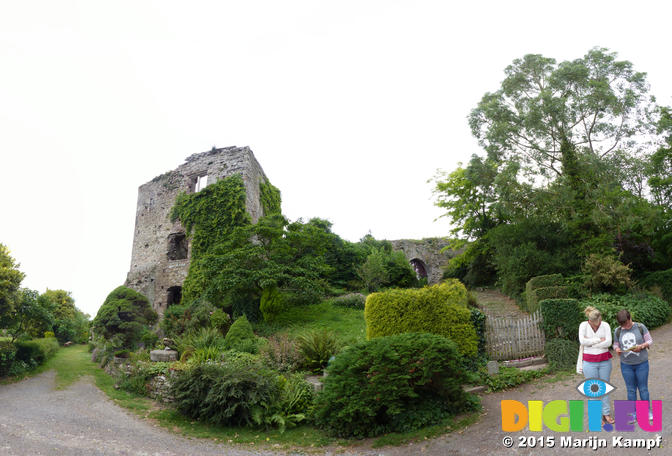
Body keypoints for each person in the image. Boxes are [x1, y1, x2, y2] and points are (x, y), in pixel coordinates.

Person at [613, 309, 653, 421]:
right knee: (630, 390)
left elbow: (650, 340)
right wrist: (617, 349)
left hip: (642, 364)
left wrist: (641, 346)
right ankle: (633, 413)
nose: (625, 327)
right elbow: (615, 344)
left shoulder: (640, 327)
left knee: (643, 389)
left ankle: (647, 411)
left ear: (630, 318)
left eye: (627, 323)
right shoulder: (617, 331)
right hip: (626, 365)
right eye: (623, 325)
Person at [578, 306, 613, 424]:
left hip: (604, 361)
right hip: (589, 362)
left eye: (600, 322)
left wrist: (591, 342)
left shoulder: (605, 325)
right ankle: (596, 416)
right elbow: (582, 341)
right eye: (595, 324)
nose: (598, 325)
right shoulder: (583, 325)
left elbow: (609, 342)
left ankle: (606, 413)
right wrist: (599, 340)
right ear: (590, 321)